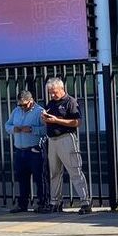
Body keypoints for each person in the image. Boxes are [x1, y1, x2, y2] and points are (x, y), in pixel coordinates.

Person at [42, 77, 92, 214]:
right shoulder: (50, 103)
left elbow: (77, 122)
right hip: (52, 140)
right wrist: (45, 119)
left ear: (62, 89)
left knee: (75, 170)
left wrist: (57, 120)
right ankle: (55, 202)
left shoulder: (70, 102)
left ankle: (85, 202)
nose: (52, 95)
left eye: (54, 92)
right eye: (50, 92)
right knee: (54, 173)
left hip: (66, 138)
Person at [4, 90, 47, 214]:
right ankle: (22, 204)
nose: (22, 107)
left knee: (40, 178)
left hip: (34, 149)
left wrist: (32, 129)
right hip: (20, 149)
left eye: (25, 104)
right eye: (20, 104)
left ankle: (42, 203)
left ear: (31, 101)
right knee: (22, 179)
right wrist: (14, 129)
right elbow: (7, 125)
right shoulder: (16, 111)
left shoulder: (40, 111)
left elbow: (46, 129)